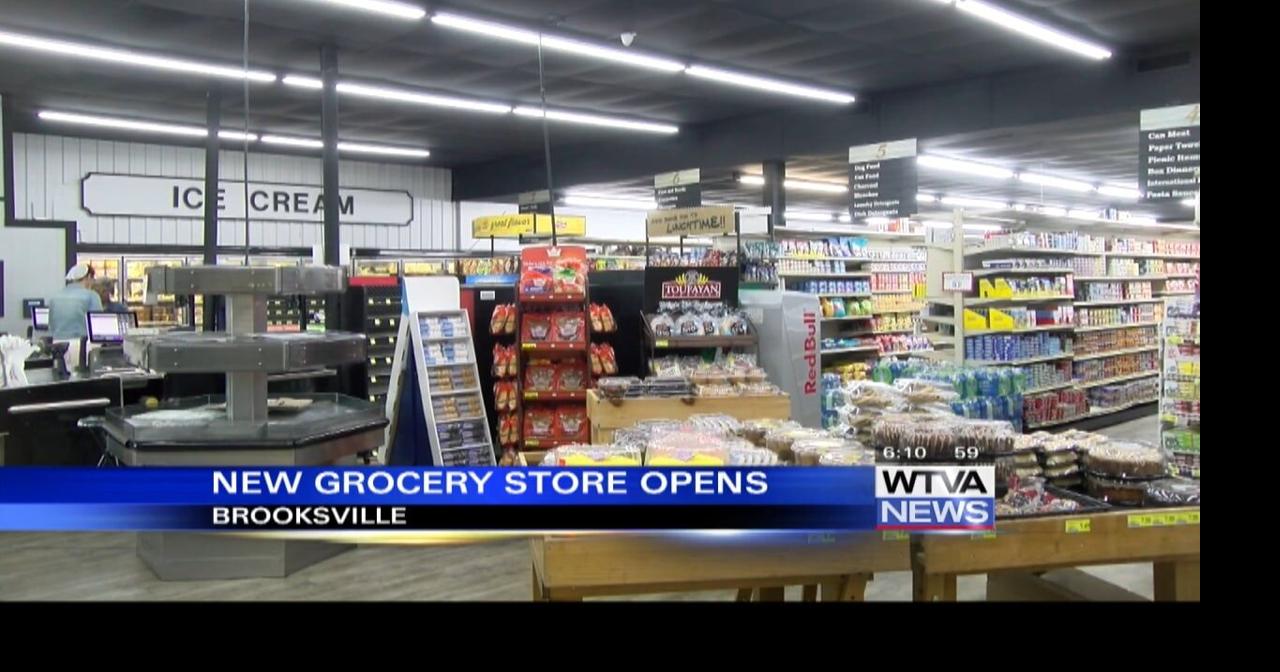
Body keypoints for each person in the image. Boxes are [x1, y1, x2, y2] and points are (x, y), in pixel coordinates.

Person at [48, 263, 103, 340]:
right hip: (81, 343)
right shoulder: (91, 296)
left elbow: (51, 325)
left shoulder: (55, 297)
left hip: (57, 342)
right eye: (93, 279)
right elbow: (97, 324)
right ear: (89, 276)